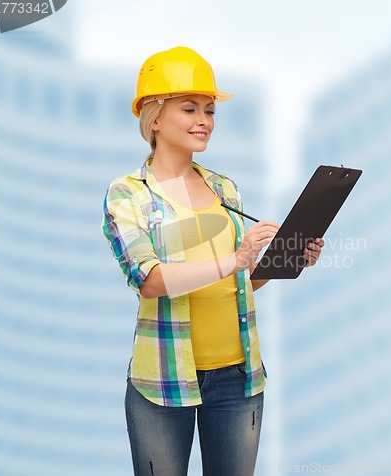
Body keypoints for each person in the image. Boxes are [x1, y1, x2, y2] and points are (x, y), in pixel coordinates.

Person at [102, 46, 324, 476]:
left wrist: (285, 260)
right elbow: (149, 279)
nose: (204, 120)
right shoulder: (128, 193)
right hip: (164, 384)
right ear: (154, 115)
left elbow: (239, 283)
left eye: (209, 110)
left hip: (239, 380)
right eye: (189, 109)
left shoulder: (225, 190)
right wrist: (234, 259)